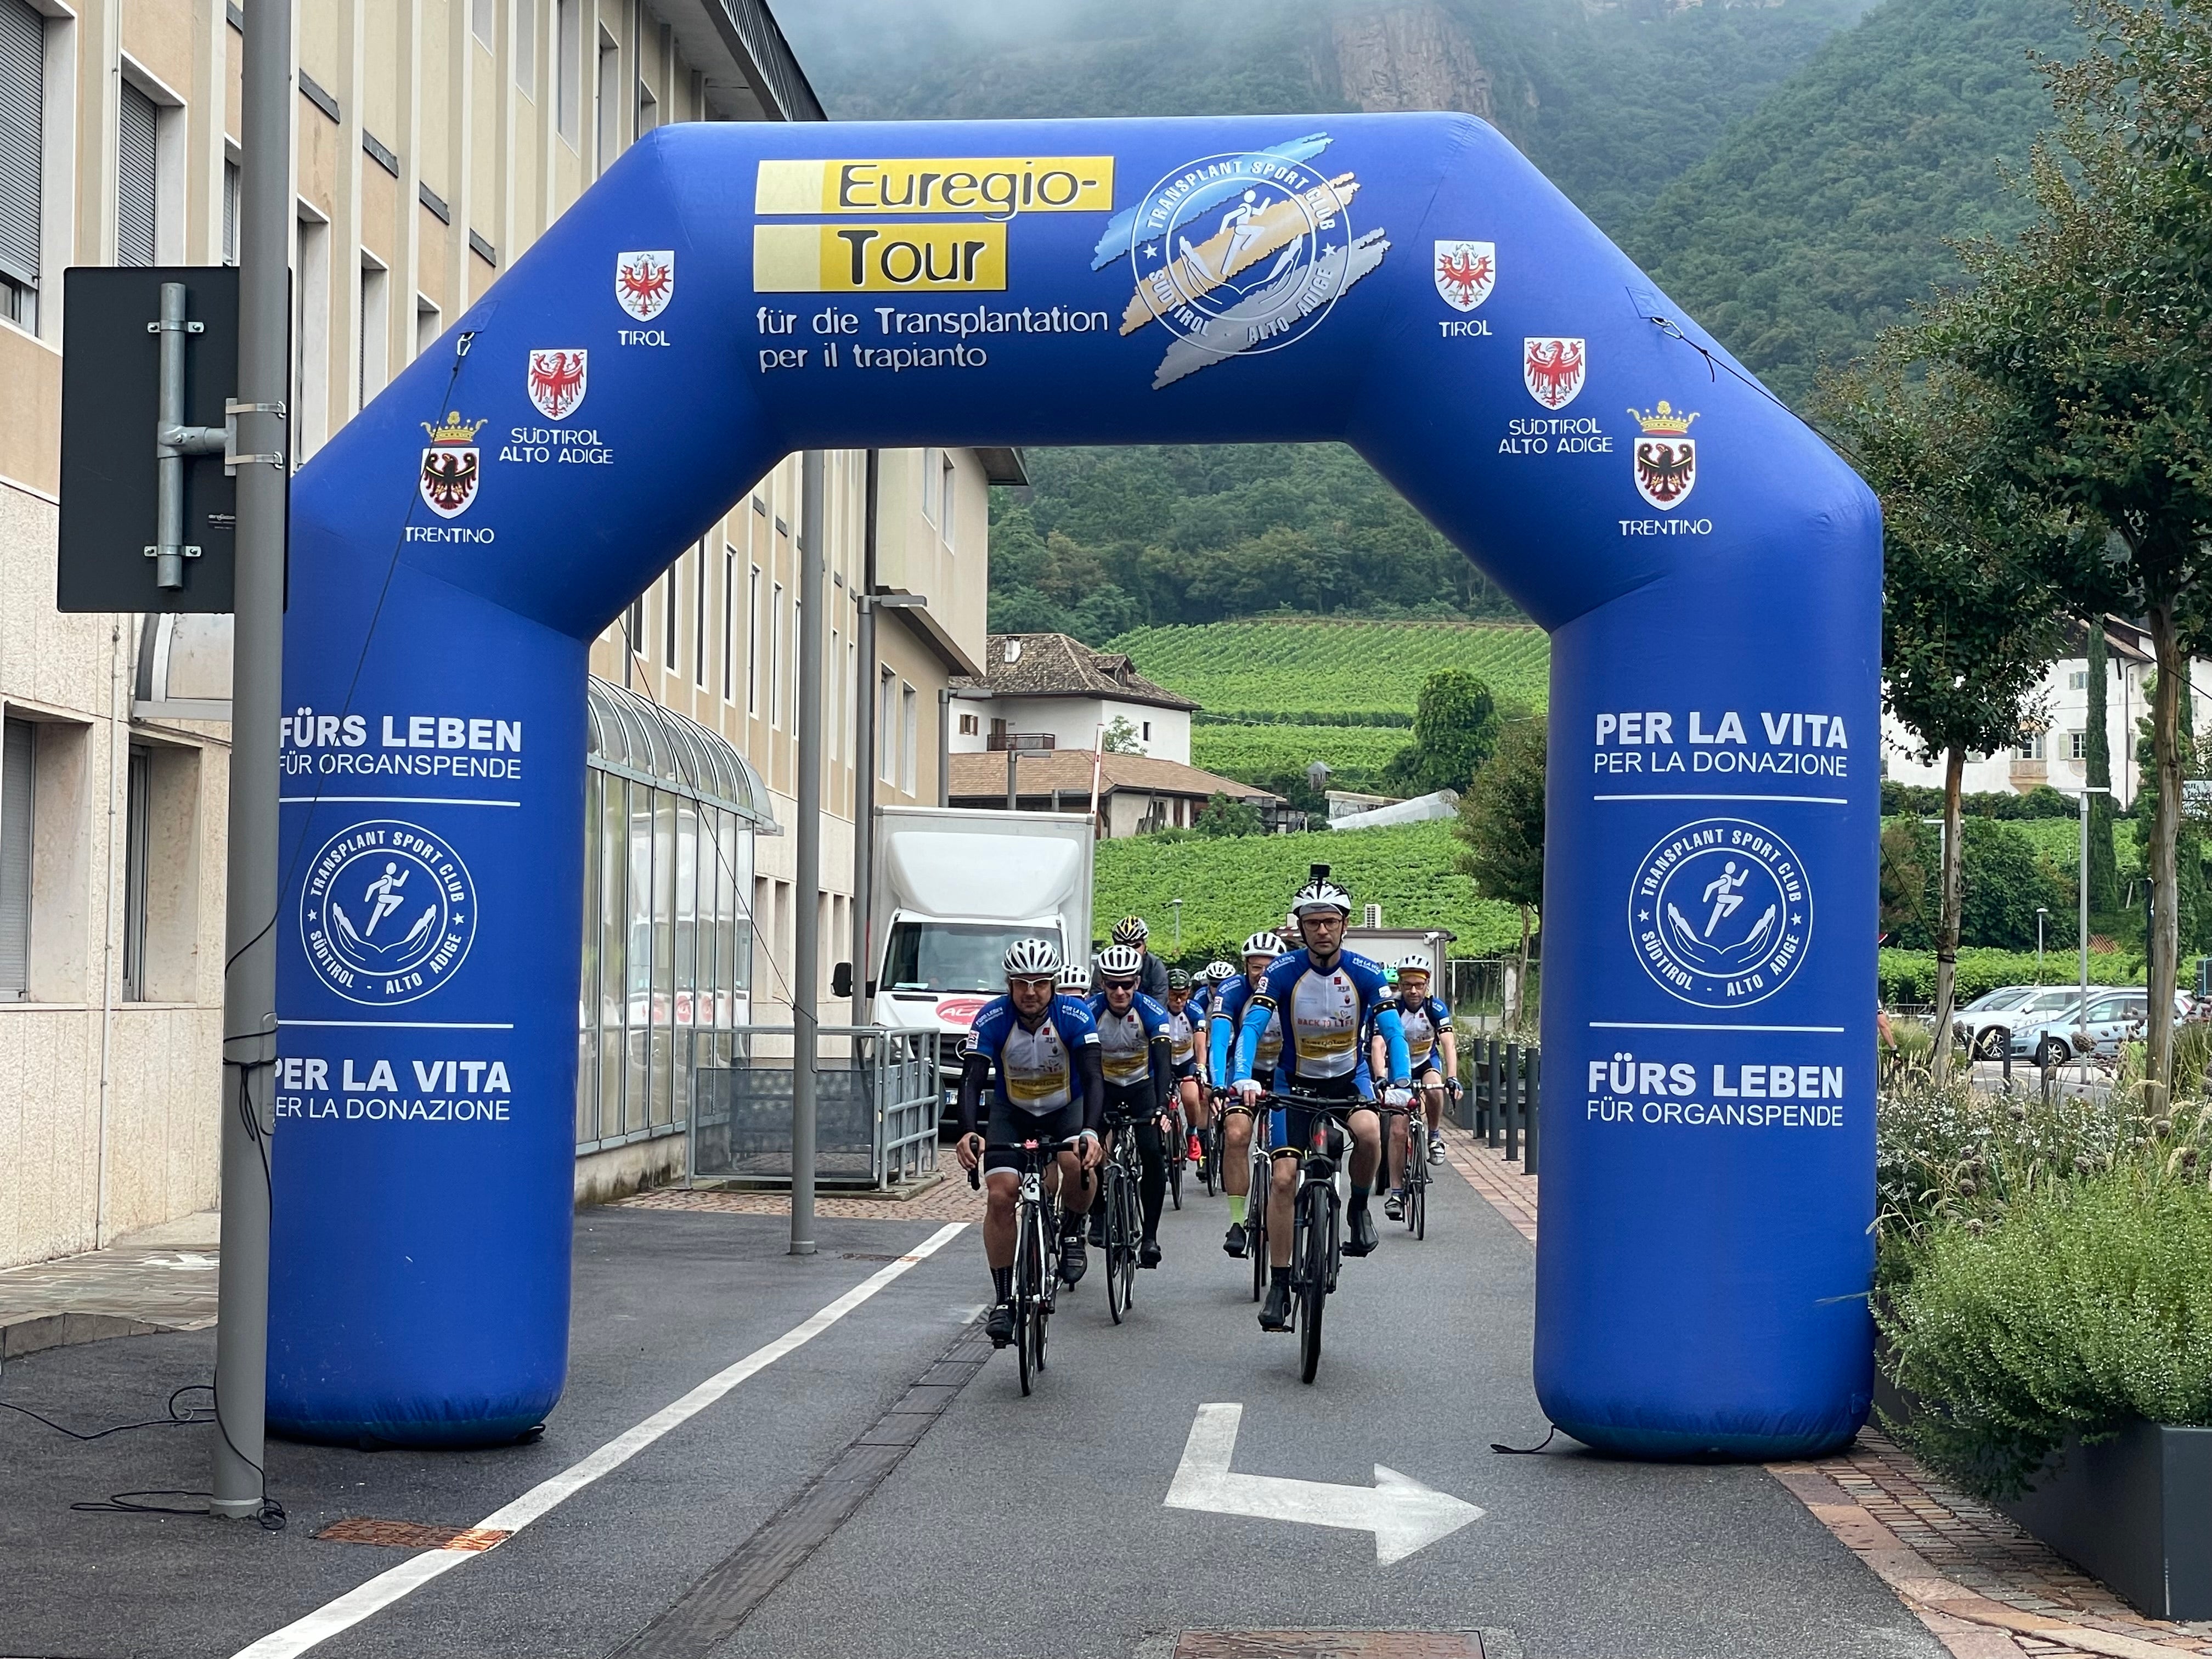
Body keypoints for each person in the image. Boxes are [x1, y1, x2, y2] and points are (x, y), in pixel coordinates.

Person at [1231, 869, 1410, 1332]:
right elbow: (1252, 1026)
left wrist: (1403, 1081)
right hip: (1296, 1085)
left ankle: (1357, 1208)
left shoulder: (1366, 973)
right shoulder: (1282, 972)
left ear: (1344, 924)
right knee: (1285, 1180)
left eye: (1330, 921)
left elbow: (1391, 1029)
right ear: (1300, 927)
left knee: (1371, 1133)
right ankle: (1279, 1282)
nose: (1323, 930)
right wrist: (1241, 1077)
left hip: (1349, 1083)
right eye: (1313, 923)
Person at [954, 939, 1105, 1347]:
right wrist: (968, 1131)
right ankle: (1004, 1300)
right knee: (1001, 1195)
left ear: (1053, 984)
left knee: (1076, 1164)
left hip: (1065, 1107)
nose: (1031, 992)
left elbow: (1094, 1078)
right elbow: (971, 1080)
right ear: (1009, 984)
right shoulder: (991, 1019)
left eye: (1040, 983)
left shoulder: (1074, 1016)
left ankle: (1073, 1232)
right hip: (1013, 1111)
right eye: (1021, 983)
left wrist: (1091, 1131)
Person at [1087, 944, 1177, 1269]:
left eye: (1128, 983)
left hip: (1142, 1087)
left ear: (1138, 983)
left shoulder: (1152, 1011)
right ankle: (1097, 1213)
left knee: (1152, 1153)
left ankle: (1150, 1237)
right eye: (1113, 984)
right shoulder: (1090, 1010)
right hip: (1104, 1087)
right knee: (1089, 1146)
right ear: (1103, 984)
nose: (1120, 991)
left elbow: (1163, 1062)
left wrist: (1163, 1106)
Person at [1209, 930, 1291, 1261]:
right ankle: (1237, 1221)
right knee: (1237, 1134)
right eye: (1255, 968)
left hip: (1284, 1072)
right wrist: (1217, 1083)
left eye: (1268, 967)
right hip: (1244, 1072)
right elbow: (1218, 1041)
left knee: (1289, 1149)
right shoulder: (1231, 991)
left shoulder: (1290, 987)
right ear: (1245, 967)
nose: (1261, 974)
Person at [1375, 957, 1458, 1219]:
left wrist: (1453, 1076)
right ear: (1400, 984)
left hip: (1424, 1062)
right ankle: (1397, 1193)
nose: (1413, 991)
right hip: (1397, 1068)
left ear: (1427, 985)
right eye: (1408, 985)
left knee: (1435, 1088)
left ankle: (1434, 1135)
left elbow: (1448, 1044)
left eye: (1419, 985)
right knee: (1398, 1131)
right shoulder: (1391, 1009)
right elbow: (1378, 1046)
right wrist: (1380, 1076)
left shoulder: (1435, 1008)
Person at [1163, 969, 1206, 1174]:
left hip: (1186, 1062)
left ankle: (1192, 1132)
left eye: (1184, 994)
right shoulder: (1159, 1010)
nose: (1179, 1000)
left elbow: (1200, 1044)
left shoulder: (1194, 1011)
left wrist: (1201, 1067)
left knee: (1190, 1097)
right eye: (1174, 995)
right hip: (1164, 1063)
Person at [1103, 916, 1172, 1001]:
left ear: (1145, 946)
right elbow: (1096, 995)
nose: (1131, 950)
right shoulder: (1105, 963)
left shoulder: (1155, 966)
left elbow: (1159, 1001)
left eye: (1136, 945)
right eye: (1124, 945)